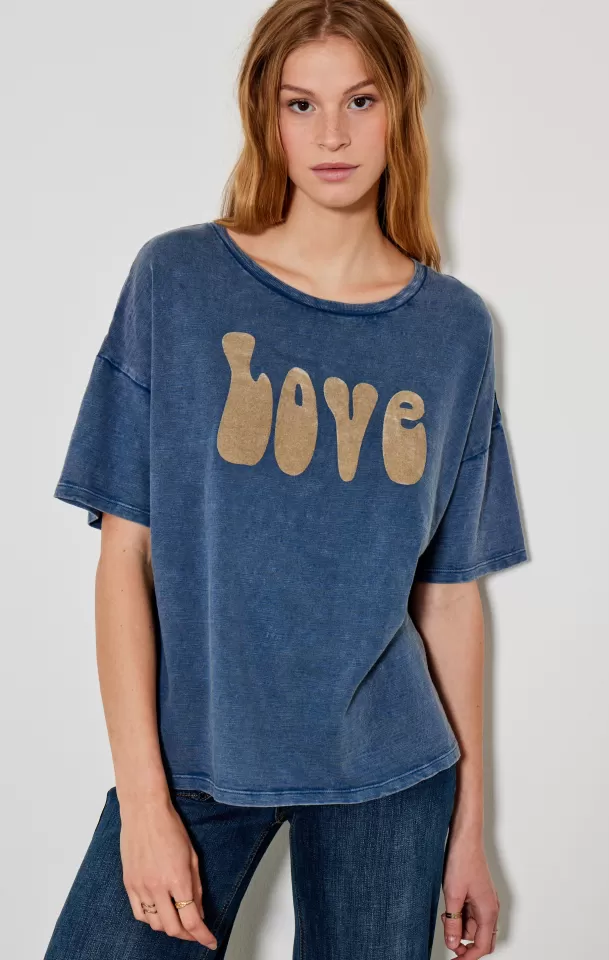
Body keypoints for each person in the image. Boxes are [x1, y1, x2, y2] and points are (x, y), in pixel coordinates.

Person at [45, 1, 528, 957]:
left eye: (361, 100)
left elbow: (449, 595)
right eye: (300, 104)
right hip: (196, 758)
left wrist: (470, 829)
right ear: (264, 115)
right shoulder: (179, 280)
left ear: (401, 111)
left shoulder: (454, 331)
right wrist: (143, 804)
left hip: (390, 773)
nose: (332, 134)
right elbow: (124, 558)